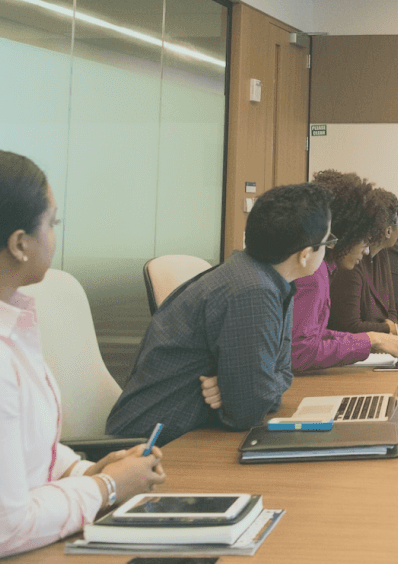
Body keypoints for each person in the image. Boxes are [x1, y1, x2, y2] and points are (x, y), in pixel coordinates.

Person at [0, 151, 165, 562]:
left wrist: (84, 470)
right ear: (19, 244)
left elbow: (17, 443)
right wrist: (107, 487)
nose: (55, 236)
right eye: (52, 223)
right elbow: (0, 532)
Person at [106, 183, 332, 443]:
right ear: (305, 255)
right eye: (328, 240)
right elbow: (247, 412)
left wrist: (240, 389)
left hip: (190, 433)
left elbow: (282, 374)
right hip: (153, 447)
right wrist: (246, 392)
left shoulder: (270, 280)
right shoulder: (253, 291)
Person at [290, 173, 398, 372]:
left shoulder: (321, 267)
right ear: (346, 234)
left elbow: (314, 335)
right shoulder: (313, 273)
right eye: (363, 239)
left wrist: (373, 339)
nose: (365, 250)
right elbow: (300, 351)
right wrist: (369, 340)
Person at [329, 187, 398, 340]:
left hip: (380, 343)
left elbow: (392, 310)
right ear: (388, 231)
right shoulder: (351, 261)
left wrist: (392, 327)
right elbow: (350, 327)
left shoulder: (383, 253)